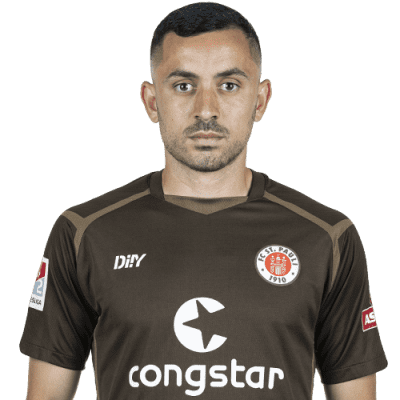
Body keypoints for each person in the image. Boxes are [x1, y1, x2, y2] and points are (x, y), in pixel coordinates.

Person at [20, 2, 387, 399]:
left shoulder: (328, 238)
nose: (206, 110)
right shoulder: (83, 233)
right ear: (151, 101)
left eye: (229, 85)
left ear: (260, 99)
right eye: (184, 85)